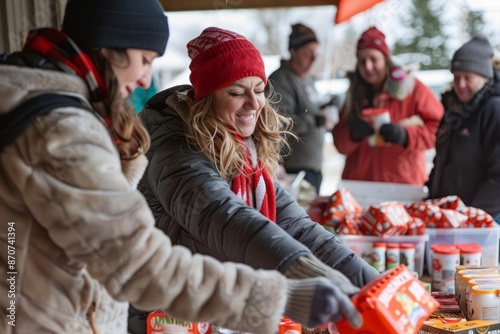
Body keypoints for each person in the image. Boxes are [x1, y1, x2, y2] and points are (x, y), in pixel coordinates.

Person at [0, 1, 364, 333]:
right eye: (144, 59)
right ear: (107, 49)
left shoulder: (52, 105)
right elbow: (150, 259)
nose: (145, 79)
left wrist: (370, 280)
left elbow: (294, 225)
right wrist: (284, 293)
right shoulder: (67, 129)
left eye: (259, 88)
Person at [135, 26, 379, 330]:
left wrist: (374, 285)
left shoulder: (244, 155)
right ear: (205, 101)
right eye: (237, 92)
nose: (254, 103)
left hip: (219, 312)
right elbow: (226, 217)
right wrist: (300, 268)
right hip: (164, 318)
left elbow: (296, 227)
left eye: (259, 89)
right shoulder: (175, 150)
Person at [332, 26, 444, 185]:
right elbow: (340, 144)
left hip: (403, 184)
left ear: (386, 59)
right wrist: (352, 134)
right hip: (360, 186)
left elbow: (440, 129)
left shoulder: (412, 88)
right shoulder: (355, 93)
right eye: (362, 61)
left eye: (373, 59)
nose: (368, 67)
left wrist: (406, 136)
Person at [427, 35, 500, 223]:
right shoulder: (454, 109)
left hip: (481, 220)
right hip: (449, 217)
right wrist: (430, 199)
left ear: (484, 77)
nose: (460, 85)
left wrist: (470, 218)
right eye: (456, 77)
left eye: (468, 78)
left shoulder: (494, 110)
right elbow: (441, 161)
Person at [268, 23, 333, 194]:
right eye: (307, 53)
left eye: (315, 54)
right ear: (293, 51)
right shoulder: (281, 80)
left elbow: (310, 108)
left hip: (311, 166)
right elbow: (279, 122)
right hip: (293, 170)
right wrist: (313, 120)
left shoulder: (306, 79)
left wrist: (328, 106)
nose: (313, 59)